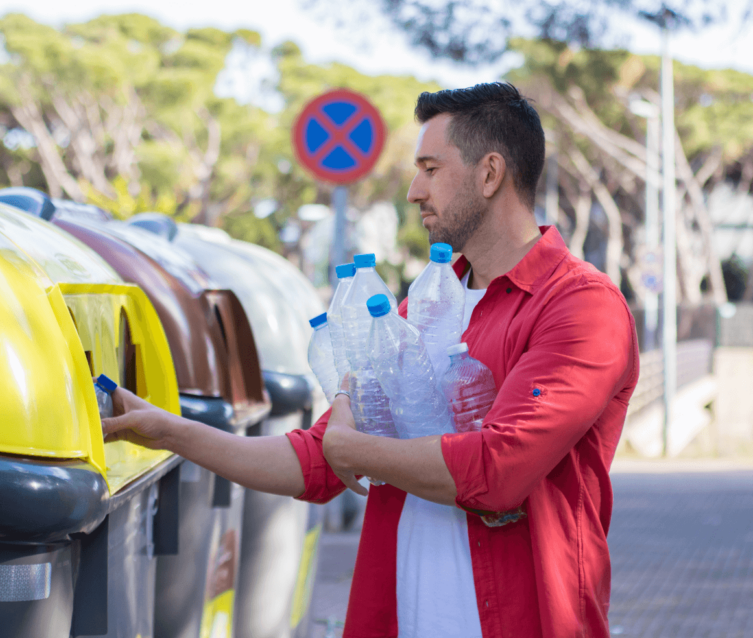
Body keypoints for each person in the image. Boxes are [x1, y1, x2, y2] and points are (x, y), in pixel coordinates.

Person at [103, 82, 638, 638]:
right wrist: (167, 431)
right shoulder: (420, 308)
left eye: (430, 168)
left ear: (490, 174)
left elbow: (501, 470)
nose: (413, 190)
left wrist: (354, 448)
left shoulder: (580, 306)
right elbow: (316, 461)